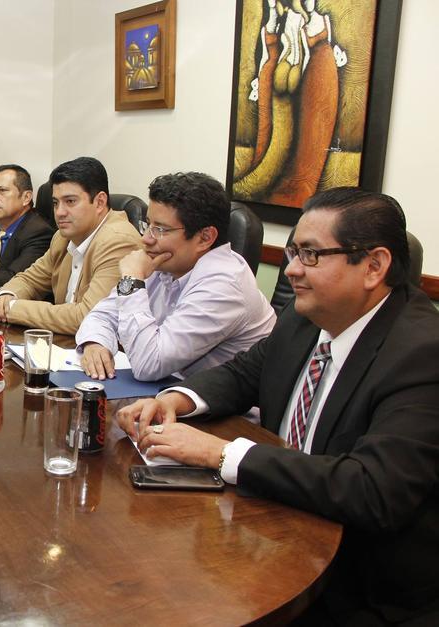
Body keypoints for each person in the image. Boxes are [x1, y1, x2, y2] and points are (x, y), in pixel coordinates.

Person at [118, 187, 439, 623]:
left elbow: (373, 489)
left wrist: (222, 454)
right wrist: (176, 399)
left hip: (361, 584)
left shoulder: (422, 352)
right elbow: (245, 374)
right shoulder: (305, 317)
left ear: (374, 266)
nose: (290, 270)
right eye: (292, 252)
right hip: (276, 529)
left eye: (310, 255)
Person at [76, 172, 275, 381]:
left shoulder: (225, 285)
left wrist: (132, 280)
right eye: (148, 225)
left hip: (222, 401)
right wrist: (95, 342)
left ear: (205, 238)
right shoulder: (165, 262)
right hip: (171, 388)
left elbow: (148, 364)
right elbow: (101, 315)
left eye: (160, 229)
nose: (146, 239)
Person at [0, 157, 142, 335]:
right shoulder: (63, 237)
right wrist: (7, 294)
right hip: (65, 344)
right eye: (56, 203)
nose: (59, 212)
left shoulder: (118, 241)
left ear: (100, 202)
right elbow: (30, 279)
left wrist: (12, 309)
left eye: (70, 201)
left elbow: (88, 317)